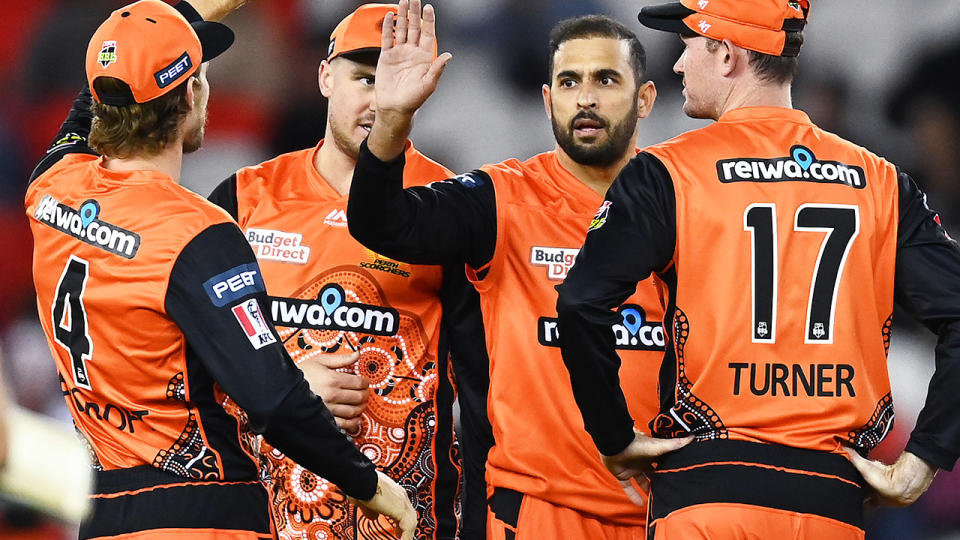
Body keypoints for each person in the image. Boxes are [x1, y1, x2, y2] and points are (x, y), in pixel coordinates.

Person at [556, 0, 960, 538]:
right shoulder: (882, 182)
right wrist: (923, 458)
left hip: (708, 492)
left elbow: (580, 303)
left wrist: (613, 435)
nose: (677, 65)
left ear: (725, 55)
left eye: (688, 45)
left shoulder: (666, 172)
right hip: (829, 500)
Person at [24, 1, 416, 538]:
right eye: (202, 76)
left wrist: (177, 16)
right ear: (191, 95)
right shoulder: (196, 232)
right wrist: (369, 485)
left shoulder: (50, 188)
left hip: (106, 509)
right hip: (202, 511)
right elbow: (274, 400)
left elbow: (94, 98)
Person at [347, 1, 666, 537]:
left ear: (646, 98)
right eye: (568, 83)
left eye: (605, 79)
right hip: (537, 515)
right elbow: (382, 224)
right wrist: (394, 119)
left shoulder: (682, 205)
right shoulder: (502, 199)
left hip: (666, 515)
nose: (584, 98)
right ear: (546, 101)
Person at [207, 4, 477, 539]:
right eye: (365, 79)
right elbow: (196, 351)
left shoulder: (447, 207)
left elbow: (487, 376)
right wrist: (283, 386)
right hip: (264, 516)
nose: (381, 100)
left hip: (408, 521)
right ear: (326, 77)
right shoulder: (245, 198)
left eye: (397, 81)